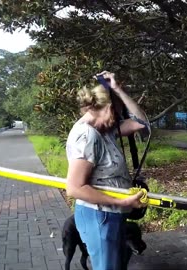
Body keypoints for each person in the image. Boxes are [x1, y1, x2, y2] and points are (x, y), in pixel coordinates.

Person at [65, 71, 150, 270]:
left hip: (112, 214)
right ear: (109, 108)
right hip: (100, 216)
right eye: (117, 112)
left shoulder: (105, 129)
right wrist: (121, 201)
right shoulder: (86, 136)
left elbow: (141, 122)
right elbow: (75, 188)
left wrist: (118, 89)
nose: (118, 118)